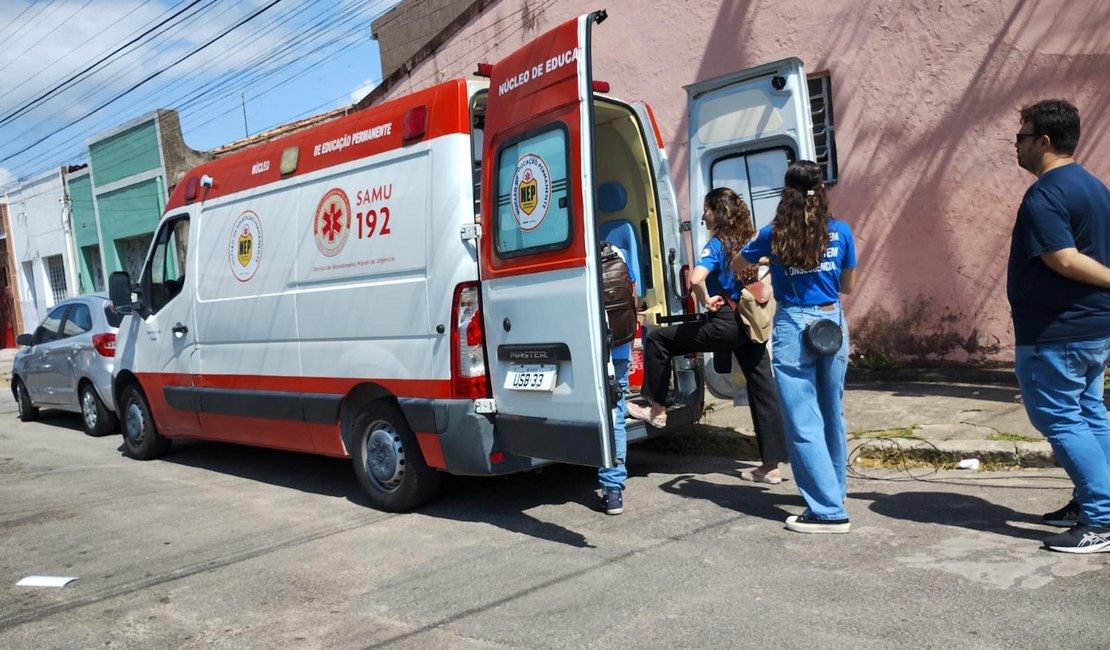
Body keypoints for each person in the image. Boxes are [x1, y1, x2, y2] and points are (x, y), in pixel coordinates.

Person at [627, 188, 787, 482]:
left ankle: (657, 408)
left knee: (661, 339)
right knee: (763, 389)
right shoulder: (750, 239)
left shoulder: (717, 245)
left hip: (726, 322)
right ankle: (771, 467)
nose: (702, 215)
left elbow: (695, 278)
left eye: (706, 209)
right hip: (751, 323)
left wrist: (706, 297)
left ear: (718, 212)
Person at [1007, 99, 1110, 554]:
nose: (1016, 145)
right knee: (1089, 414)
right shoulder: (1094, 187)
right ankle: (1092, 501)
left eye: (1021, 137)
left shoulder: (1045, 193)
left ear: (1043, 142)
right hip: (1091, 328)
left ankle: (1102, 519)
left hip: (1058, 331)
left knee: (1061, 418)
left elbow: (1063, 259)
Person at [737, 160, 856, 534]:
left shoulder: (772, 234)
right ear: (821, 190)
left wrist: (765, 261)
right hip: (831, 322)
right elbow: (848, 286)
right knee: (830, 411)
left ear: (785, 192)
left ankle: (827, 512)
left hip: (793, 324)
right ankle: (833, 490)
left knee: (803, 418)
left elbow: (739, 261)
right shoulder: (841, 231)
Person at [600, 242, 634, 515]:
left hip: (587, 348)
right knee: (615, 413)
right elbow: (631, 293)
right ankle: (613, 490)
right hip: (620, 346)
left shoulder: (576, 257)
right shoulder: (617, 251)